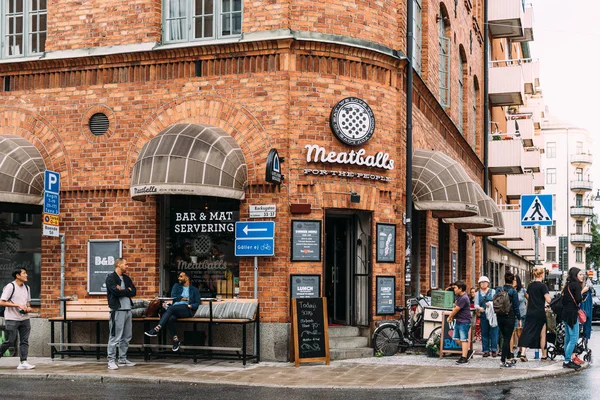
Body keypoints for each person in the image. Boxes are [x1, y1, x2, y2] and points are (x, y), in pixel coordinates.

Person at [145, 271, 200, 351]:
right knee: (170, 319)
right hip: (174, 309)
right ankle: (176, 340)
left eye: (181, 276)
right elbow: (173, 297)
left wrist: (190, 305)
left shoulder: (194, 290)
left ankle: (156, 329)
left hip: (186, 309)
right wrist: (183, 298)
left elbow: (197, 303)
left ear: (187, 278)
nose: (179, 278)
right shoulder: (176, 286)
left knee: (170, 309)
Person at [0, 268, 35, 369]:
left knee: (24, 341)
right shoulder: (10, 287)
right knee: (10, 341)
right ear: (18, 275)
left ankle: (23, 362)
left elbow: (27, 301)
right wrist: (17, 305)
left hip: (24, 319)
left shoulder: (27, 287)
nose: (26, 275)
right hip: (12, 318)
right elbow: (2, 302)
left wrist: (28, 307)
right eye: (24, 273)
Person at [106, 258, 137, 370]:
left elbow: (134, 291)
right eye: (126, 264)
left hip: (128, 309)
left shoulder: (126, 278)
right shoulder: (111, 278)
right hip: (117, 310)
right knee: (115, 336)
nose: (127, 266)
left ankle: (122, 359)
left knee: (127, 336)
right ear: (119, 265)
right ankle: (111, 360)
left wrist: (123, 290)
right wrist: (126, 291)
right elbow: (115, 292)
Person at [517, 266, 551, 362]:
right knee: (542, 334)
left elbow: (529, 299)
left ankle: (523, 353)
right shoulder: (543, 286)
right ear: (541, 274)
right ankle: (544, 356)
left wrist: (528, 310)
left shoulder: (530, 285)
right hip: (539, 312)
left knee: (527, 331)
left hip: (530, 312)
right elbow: (548, 300)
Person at [562, 267, 588, 370]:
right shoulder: (576, 285)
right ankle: (567, 360)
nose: (582, 276)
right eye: (580, 274)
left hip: (565, 313)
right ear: (575, 275)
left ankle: (567, 359)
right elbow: (578, 299)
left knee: (568, 338)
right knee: (574, 338)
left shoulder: (567, 285)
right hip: (572, 314)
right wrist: (583, 291)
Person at [497, 272, 521, 368]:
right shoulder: (513, 292)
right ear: (512, 281)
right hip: (509, 316)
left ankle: (509, 357)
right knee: (507, 338)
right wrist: (519, 318)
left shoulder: (499, 290)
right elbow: (516, 307)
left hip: (499, 316)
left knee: (504, 336)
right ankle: (503, 360)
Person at [446, 280, 474, 364]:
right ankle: (468, 351)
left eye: (455, 288)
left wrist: (450, 317)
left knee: (463, 339)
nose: (454, 289)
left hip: (464, 321)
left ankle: (464, 357)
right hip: (459, 320)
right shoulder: (458, 296)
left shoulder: (464, 298)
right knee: (455, 338)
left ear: (460, 289)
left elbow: (456, 309)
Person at [474, 276, 498, 357]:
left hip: (492, 314)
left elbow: (496, 302)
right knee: (484, 332)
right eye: (481, 282)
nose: (483, 284)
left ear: (488, 283)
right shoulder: (477, 293)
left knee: (494, 332)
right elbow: (475, 304)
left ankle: (494, 349)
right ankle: (486, 350)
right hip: (483, 315)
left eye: (485, 282)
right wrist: (478, 308)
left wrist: (491, 304)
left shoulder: (493, 291)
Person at [512, 275, 526, 355]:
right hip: (513, 313)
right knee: (513, 332)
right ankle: (513, 349)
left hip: (521, 313)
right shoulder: (510, 290)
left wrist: (527, 308)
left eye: (515, 280)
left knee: (519, 332)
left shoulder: (522, 290)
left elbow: (529, 299)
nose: (513, 282)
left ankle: (521, 350)